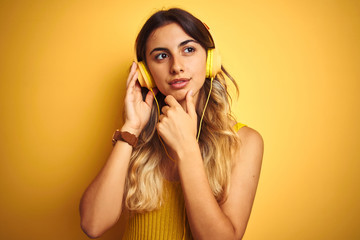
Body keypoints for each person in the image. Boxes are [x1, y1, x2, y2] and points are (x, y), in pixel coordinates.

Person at [79, 8, 263, 240]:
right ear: (145, 72)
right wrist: (131, 128)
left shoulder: (245, 141)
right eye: (161, 56)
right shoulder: (138, 138)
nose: (176, 66)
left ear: (209, 60)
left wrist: (187, 148)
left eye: (188, 49)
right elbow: (93, 224)